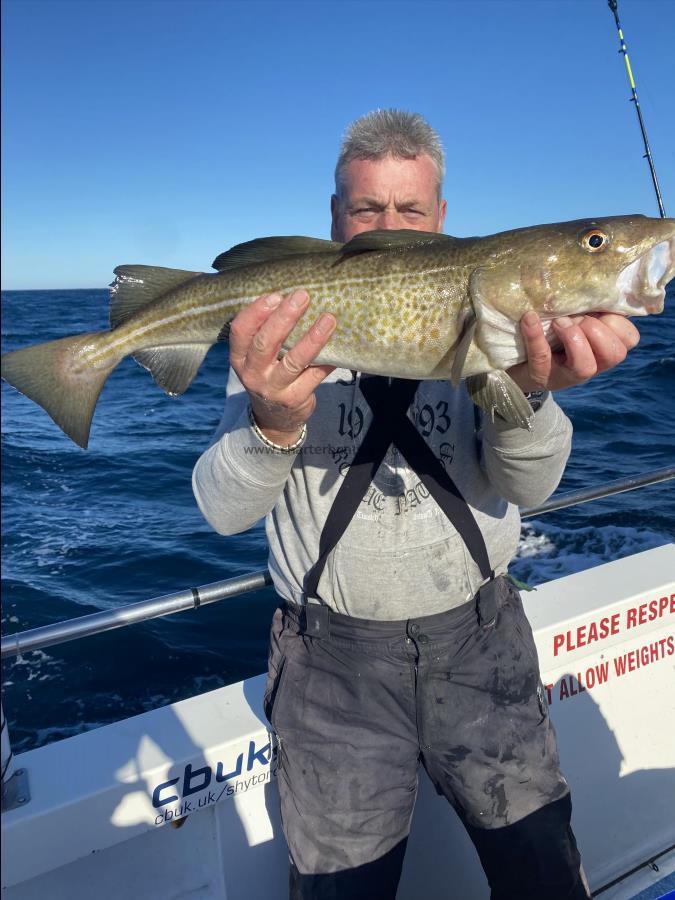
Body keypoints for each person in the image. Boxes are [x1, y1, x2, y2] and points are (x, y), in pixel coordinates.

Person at [192, 110, 638, 899]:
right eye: (366, 209)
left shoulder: (502, 326)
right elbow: (222, 511)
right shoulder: (281, 330)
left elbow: (530, 491)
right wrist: (272, 421)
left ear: (441, 217)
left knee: (541, 872)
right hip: (330, 671)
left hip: (482, 648)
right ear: (334, 216)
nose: (387, 224)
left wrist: (529, 396)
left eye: (409, 209)